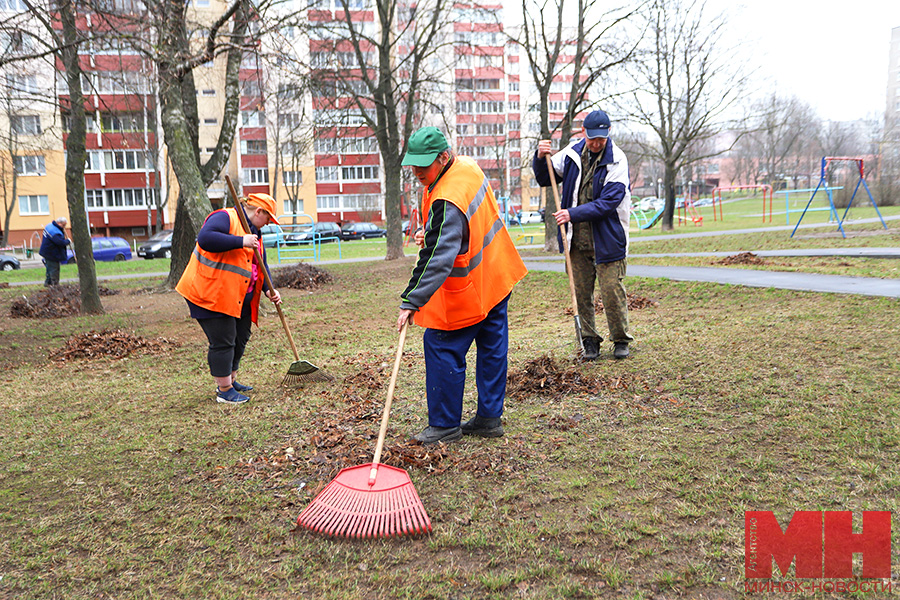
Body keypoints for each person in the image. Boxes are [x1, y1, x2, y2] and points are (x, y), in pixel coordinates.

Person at [397, 127, 528, 444]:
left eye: (423, 166)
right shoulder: (467, 166)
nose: (416, 173)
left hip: (468, 290)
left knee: (440, 344)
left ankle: (444, 425)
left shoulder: (447, 196)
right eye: (412, 165)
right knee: (492, 348)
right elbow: (462, 226)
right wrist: (434, 231)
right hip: (496, 276)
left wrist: (411, 301)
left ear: (443, 158)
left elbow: (438, 257)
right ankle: (488, 418)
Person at [532, 109, 634, 360]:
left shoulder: (617, 160)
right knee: (581, 292)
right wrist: (539, 156)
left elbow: (609, 202)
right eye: (592, 138)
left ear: (608, 133)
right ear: (584, 133)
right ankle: (590, 341)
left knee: (612, 291)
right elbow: (546, 177)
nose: (596, 143)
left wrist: (571, 214)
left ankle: (620, 339)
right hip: (576, 240)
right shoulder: (571, 153)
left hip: (608, 239)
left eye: (601, 138)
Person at [176, 193, 283, 405]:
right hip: (209, 292)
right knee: (223, 340)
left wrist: (268, 289)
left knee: (241, 335)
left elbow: (260, 262)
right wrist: (240, 241)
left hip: (237, 295)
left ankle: (231, 380)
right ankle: (224, 390)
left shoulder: (255, 232)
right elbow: (206, 239)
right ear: (258, 212)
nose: (269, 223)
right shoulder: (225, 218)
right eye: (268, 218)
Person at [39, 217, 71, 286]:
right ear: (58, 223)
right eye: (63, 225)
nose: (64, 227)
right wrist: (68, 241)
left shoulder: (49, 226)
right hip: (52, 254)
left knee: (49, 268)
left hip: (47, 252)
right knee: (54, 269)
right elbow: (60, 243)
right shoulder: (55, 232)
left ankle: (48, 283)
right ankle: (55, 285)